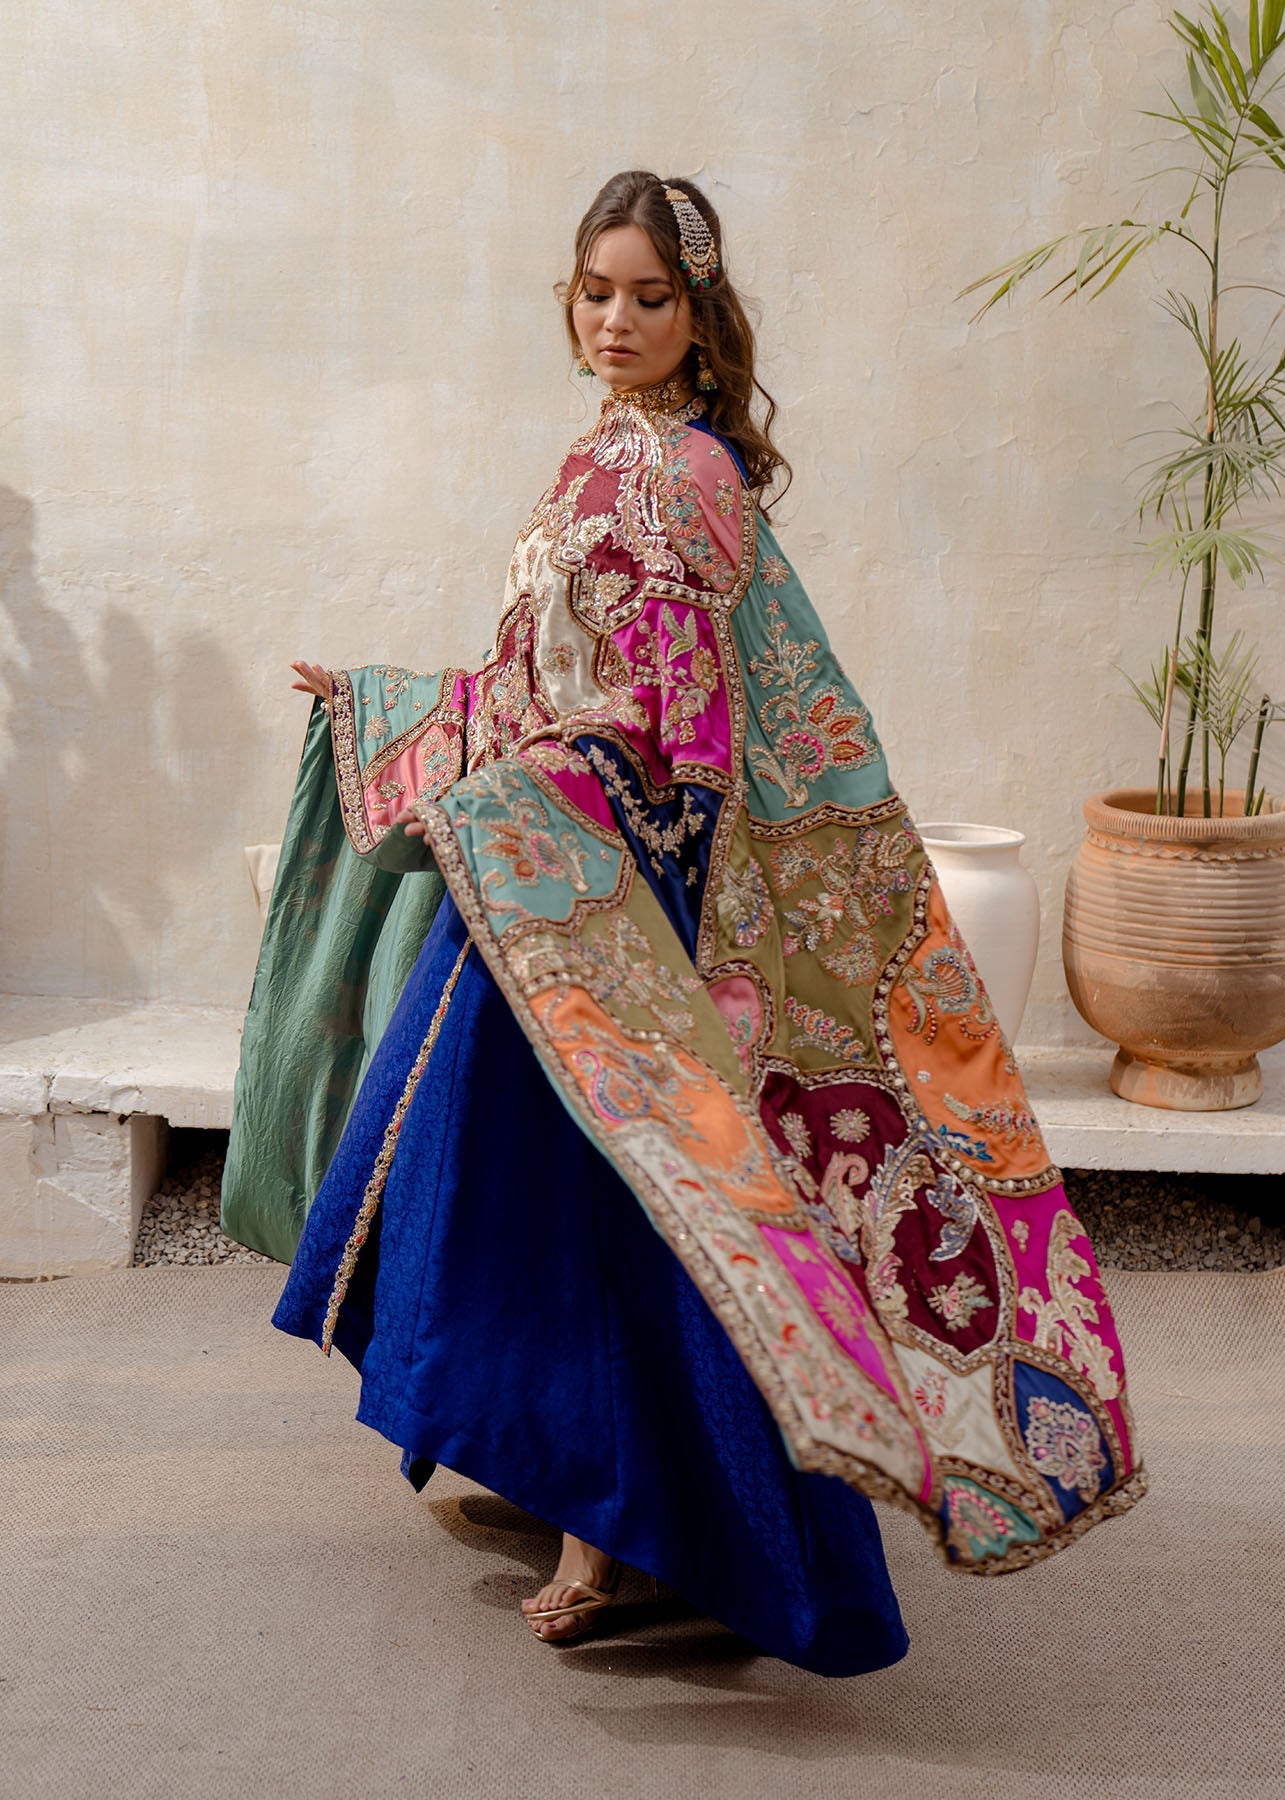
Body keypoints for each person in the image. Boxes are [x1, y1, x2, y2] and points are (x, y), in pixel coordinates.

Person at [222, 170, 1145, 1674]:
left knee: (621, 1212)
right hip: (540, 869)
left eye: (649, 297)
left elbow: (684, 731)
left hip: (616, 885)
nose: (616, 320)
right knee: (504, 1187)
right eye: (596, 292)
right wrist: (388, 700)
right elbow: (537, 677)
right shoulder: (595, 455)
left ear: (699, 316)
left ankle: (621, 1533)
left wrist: (574, 800)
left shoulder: (693, 473)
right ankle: (552, 1472)